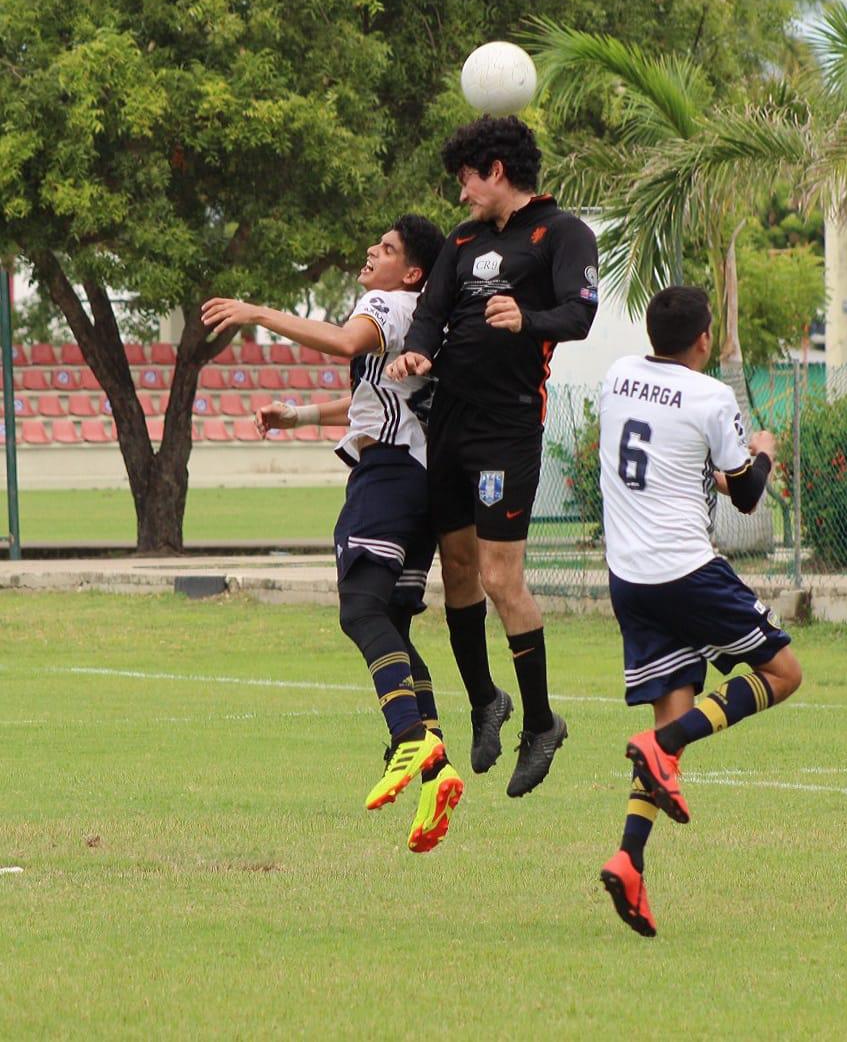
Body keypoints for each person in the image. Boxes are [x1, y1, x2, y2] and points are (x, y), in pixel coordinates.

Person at [201, 215, 461, 853]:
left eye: (390, 248)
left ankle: (408, 738)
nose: (372, 251)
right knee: (390, 622)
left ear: (414, 272)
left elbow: (345, 345)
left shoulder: (388, 304)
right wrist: (297, 416)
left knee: (359, 609)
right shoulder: (420, 320)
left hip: (388, 478)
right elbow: (375, 393)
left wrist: (258, 312)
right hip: (422, 484)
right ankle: (434, 767)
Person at [387, 115, 599, 798]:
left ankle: (540, 722)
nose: (461, 196)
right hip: (449, 421)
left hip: (506, 429)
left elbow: (581, 313)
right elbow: (433, 313)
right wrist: (418, 349)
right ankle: (485, 700)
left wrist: (527, 320)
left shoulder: (563, 234)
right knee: (456, 573)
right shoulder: (463, 241)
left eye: (467, 181)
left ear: (497, 172)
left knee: (502, 578)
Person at [596, 285, 803, 936]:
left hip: (630, 578)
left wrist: (722, 470)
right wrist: (764, 450)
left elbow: (668, 463)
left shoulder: (620, 376)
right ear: (705, 340)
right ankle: (663, 745)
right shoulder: (713, 397)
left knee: (673, 721)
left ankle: (629, 860)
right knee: (783, 674)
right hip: (683, 570)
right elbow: (747, 497)